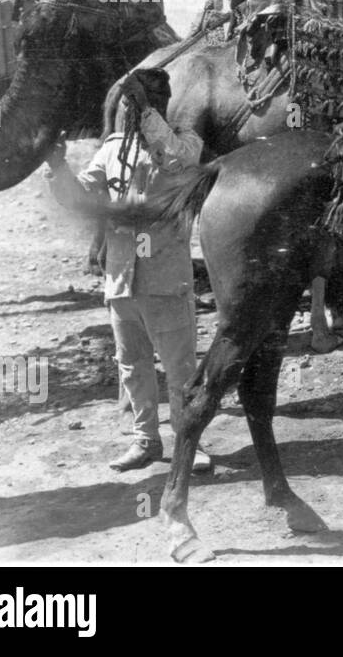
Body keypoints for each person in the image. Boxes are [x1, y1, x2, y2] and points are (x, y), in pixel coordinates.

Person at [45, 68, 211, 473]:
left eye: (143, 100)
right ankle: (146, 440)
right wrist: (58, 168)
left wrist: (147, 111)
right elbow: (80, 198)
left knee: (180, 368)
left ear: (161, 104)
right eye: (130, 100)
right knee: (132, 366)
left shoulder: (185, 143)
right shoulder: (111, 149)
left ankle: (189, 443)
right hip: (121, 278)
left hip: (164, 279)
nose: (130, 107)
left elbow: (174, 158)